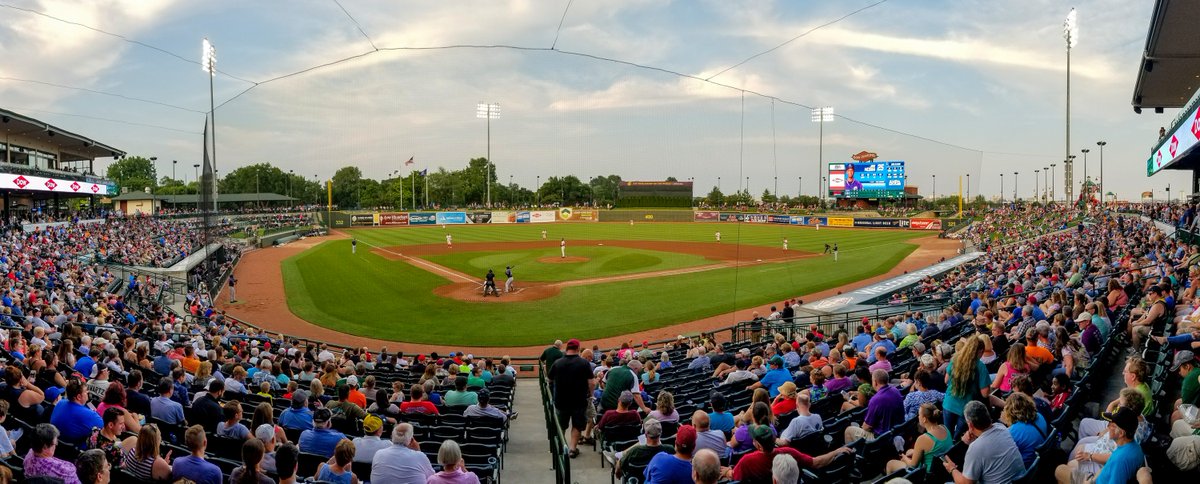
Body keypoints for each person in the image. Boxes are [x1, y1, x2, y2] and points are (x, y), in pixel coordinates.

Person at [941, 401, 1025, 484]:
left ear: (970, 425)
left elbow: (966, 483)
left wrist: (952, 469)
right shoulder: (1001, 427)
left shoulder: (975, 448)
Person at [1055, 406, 1144, 484]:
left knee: (1060, 470)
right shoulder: (1135, 447)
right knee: (1066, 468)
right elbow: (1107, 468)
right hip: (1097, 478)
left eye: (1111, 425)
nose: (1108, 427)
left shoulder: (1119, 460)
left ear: (1121, 433)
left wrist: (1089, 481)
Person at [547, 338, 595, 458]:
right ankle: (572, 449)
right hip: (579, 400)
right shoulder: (584, 363)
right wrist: (591, 395)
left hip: (561, 400)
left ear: (567, 348)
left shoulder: (558, 362)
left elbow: (550, 379)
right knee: (577, 425)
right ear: (578, 349)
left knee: (561, 425)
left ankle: (561, 447)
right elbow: (592, 383)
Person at [886, 402, 952, 474]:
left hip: (925, 475)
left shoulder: (922, 439)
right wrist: (913, 452)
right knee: (909, 451)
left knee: (890, 464)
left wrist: (904, 458)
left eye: (919, 415)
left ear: (924, 419)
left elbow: (913, 465)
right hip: (941, 470)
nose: (918, 417)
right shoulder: (944, 427)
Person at [944, 336, 990, 438]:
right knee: (958, 439)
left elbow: (946, 380)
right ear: (980, 351)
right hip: (965, 408)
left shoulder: (955, 359)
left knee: (948, 436)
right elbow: (985, 393)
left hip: (949, 403)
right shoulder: (980, 366)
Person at [844, 369, 904, 443]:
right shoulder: (895, 390)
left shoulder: (875, 399)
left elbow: (867, 427)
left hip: (881, 438)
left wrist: (862, 427)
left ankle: (855, 453)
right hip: (897, 430)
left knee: (848, 430)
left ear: (875, 382)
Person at [372, 423, 436, 483]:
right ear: (411, 440)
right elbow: (432, 479)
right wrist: (418, 452)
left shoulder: (378, 454)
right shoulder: (420, 456)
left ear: (392, 437)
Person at [50, 378, 103, 445]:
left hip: (55, 444)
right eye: (86, 391)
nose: (88, 392)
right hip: (75, 451)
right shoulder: (90, 415)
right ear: (79, 397)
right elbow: (104, 427)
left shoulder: (60, 403)